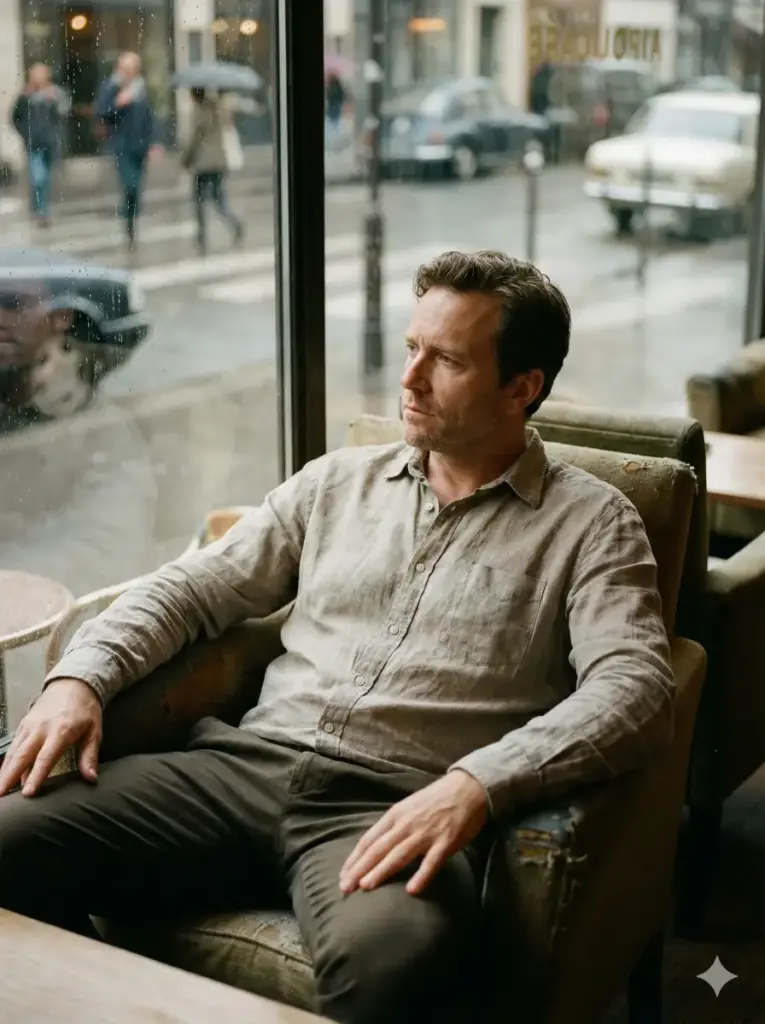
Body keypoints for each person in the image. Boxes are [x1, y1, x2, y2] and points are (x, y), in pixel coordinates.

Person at [0, 251, 675, 1024]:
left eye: (446, 360)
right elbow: (191, 588)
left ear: (522, 387)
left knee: (392, 966)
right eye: (412, 348)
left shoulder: (592, 524)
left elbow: (634, 687)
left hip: (393, 807)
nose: (409, 380)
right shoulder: (335, 483)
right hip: (239, 772)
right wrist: (78, 679)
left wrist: (476, 785)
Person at [94, 52, 157, 251]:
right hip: (122, 146)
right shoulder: (111, 87)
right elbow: (102, 113)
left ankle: (132, 224)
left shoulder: (142, 88)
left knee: (136, 189)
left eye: (132, 68)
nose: (128, 72)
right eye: (124, 68)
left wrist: (155, 142)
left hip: (140, 146)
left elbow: (150, 117)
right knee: (129, 185)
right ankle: (128, 226)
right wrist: (118, 103)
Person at [182, 88, 244, 254]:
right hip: (218, 162)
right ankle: (235, 224)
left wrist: (186, 159)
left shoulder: (199, 112)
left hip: (203, 163)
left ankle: (202, 237)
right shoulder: (217, 108)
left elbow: (195, 138)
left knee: (200, 202)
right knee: (219, 199)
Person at [11, 63, 67, 227]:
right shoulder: (25, 96)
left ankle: (40, 208)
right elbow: (15, 117)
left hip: (49, 142)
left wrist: (54, 101)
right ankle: (41, 211)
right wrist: (25, 134)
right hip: (33, 144)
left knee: (46, 178)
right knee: (39, 177)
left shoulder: (55, 93)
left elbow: (63, 113)